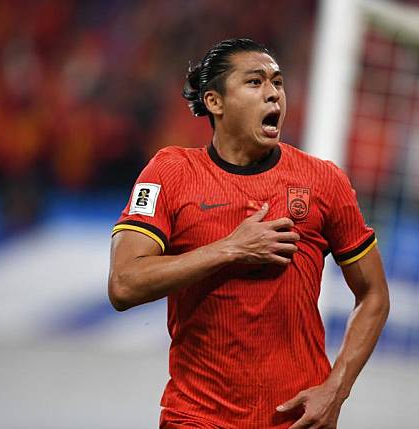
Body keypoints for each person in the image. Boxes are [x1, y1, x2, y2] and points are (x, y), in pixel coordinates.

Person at [108, 38, 390, 429]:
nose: (274, 93)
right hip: (196, 417)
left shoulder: (323, 181)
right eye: (255, 82)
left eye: (278, 82)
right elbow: (124, 284)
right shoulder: (171, 173)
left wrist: (335, 390)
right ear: (215, 102)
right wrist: (230, 249)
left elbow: (373, 293)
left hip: (296, 419)